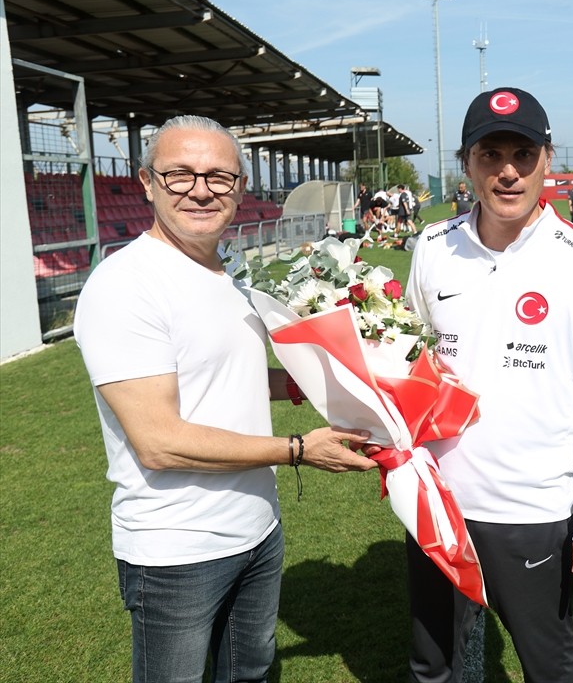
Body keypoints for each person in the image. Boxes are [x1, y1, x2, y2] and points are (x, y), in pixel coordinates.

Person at [74, 115, 378, 683]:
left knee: (250, 673)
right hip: (177, 549)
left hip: (257, 528)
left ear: (240, 187)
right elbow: (159, 443)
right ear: (146, 182)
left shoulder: (221, 272)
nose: (200, 190)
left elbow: (219, 372)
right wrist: (297, 449)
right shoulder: (126, 285)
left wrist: (315, 382)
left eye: (219, 176)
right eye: (180, 174)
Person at [405, 87, 573, 683]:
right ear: (467, 164)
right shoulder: (432, 247)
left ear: (547, 161)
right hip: (437, 503)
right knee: (434, 664)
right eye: (490, 155)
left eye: (523, 155)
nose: (507, 172)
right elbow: (409, 368)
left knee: (547, 666)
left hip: (532, 509)